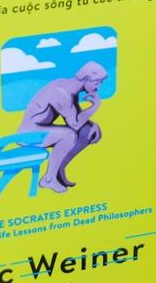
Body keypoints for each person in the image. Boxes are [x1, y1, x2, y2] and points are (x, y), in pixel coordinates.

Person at [17, 61, 107, 192]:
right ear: (87, 78)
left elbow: (76, 117)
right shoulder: (61, 93)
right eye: (97, 82)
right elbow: (75, 124)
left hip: (39, 130)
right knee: (68, 135)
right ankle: (49, 179)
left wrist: (93, 124)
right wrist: (95, 106)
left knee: (86, 130)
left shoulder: (68, 87)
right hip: (28, 134)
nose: (98, 87)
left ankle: (59, 171)